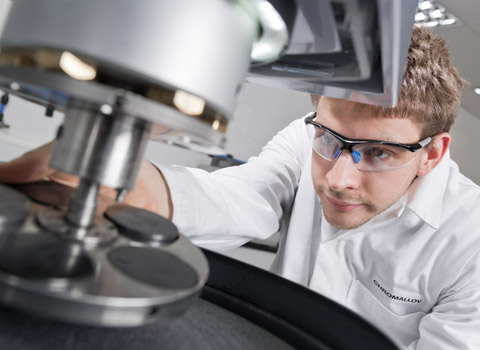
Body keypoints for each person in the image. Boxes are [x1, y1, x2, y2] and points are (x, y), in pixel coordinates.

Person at [0, 26, 479, 349]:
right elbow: (249, 197)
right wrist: (140, 189)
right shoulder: (303, 138)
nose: (337, 179)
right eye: (328, 138)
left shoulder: (470, 241)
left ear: (432, 153)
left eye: (379, 153)